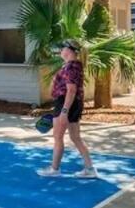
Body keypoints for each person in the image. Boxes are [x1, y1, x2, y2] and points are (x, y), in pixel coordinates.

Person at [38, 40, 97, 178]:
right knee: (75, 137)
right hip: (73, 104)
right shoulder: (75, 65)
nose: (60, 50)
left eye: (62, 48)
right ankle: (90, 169)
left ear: (69, 50)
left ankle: (54, 169)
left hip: (66, 103)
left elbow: (71, 90)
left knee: (58, 137)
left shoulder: (70, 67)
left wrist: (64, 111)